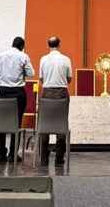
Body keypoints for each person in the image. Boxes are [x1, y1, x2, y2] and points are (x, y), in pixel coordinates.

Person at [0, 36, 35, 163]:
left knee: (1, 124)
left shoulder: (0, 56)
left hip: (3, 91)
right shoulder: (23, 56)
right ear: (22, 46)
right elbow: (31, 73)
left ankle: (1, 153)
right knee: (17, 123)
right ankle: (12, 154)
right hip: (18, 92)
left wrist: (5, 73)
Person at [38, 36, 72, 166]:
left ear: (48, 45)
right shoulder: (66, 59)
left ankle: (44, 158)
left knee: (44, 124)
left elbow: (41, 78)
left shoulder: (43, 59)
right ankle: (59, 158)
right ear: (59, 44)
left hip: (47, 93)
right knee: (61, 124)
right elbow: (69, 78)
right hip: (62, 93)